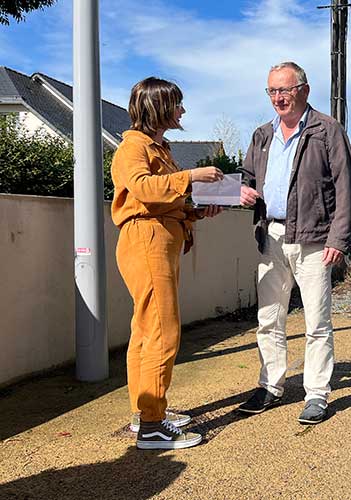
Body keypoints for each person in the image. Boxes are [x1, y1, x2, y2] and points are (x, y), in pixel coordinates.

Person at [237, 61, 351, 424]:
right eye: (272, 91)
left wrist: (339, 237)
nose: (278, 98)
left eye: (284, 90)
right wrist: (242, 190)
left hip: (315, 237)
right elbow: (247, 176)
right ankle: (270, 386)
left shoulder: (327, 130)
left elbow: (344, 186)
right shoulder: (262, 135)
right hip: (270, 234)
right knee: (269, 317)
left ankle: (316, 393)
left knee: (317, 321)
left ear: (303, 90)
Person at [111, 77, 224, 449]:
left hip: (159, 238)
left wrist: (195, 212)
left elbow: (162, 200)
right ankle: (153, 426)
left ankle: (144, 413)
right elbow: (143, 189)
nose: (182, 110)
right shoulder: (133, 147)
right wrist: (190, 176)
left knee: (146, 330)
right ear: (158, 107)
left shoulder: (157, 147)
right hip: (147, 240)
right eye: (177, 104)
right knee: (163, 329)